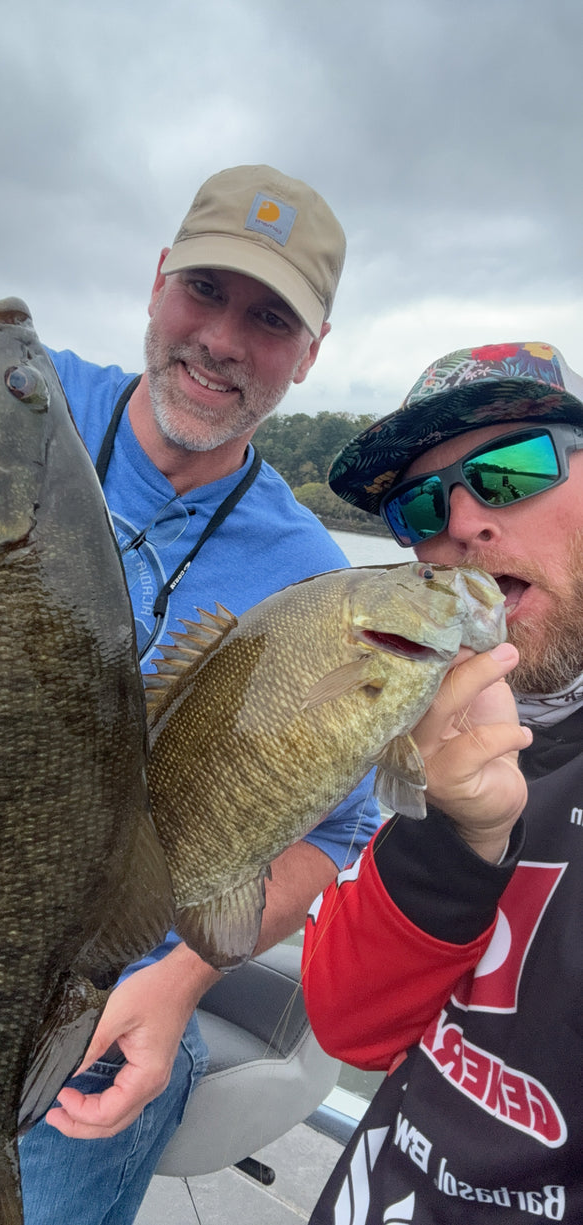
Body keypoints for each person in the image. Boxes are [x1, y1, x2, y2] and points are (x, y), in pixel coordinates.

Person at [0, 164, 381, 1224]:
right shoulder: (25, 402)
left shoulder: (315, 589)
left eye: (268, 318)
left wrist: (178, 986)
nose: (221, 340)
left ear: (311, 354)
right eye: (204, 290)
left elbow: (338, 834)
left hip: (104, 1004)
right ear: (157, 282)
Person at [302, 339, 583, 1223]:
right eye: (421, 501)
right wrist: (459, 839)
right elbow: (349, 1023)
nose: (461, 521)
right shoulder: (426, 720)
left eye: (510, 468)